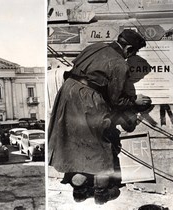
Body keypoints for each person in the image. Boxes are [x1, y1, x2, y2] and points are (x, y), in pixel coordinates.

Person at [48, 29, 151, 204]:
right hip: (88, 102)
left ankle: (79, 191)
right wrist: (135, 100)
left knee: (74, 147)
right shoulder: (119, 64)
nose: (130, 57)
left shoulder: (95, 46)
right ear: (129, 49)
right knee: (101, 147)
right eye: (133, 53)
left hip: (67, 94)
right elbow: (116, 100)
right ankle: (102, 193)